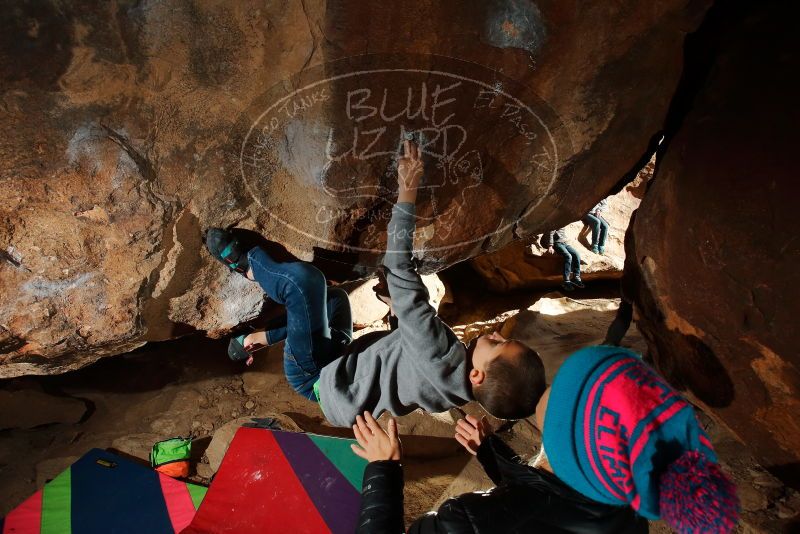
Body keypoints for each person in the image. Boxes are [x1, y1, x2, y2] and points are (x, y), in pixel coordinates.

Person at [203, 140, 546, 427]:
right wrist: (399, 315)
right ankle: (253, 340)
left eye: (499, 344)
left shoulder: (441, 350)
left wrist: (408, 190)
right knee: (333, 299)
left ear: (478, 377)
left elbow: (398, 264)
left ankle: (247, 264)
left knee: (305, 284)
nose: (497, 333)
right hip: (342, 364)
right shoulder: (455, 391)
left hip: (316, 377)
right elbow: (411, 367)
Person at [353, 345, 739, 534]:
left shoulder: (466, 520)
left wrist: (383, 469)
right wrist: (491, 454)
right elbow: (546, 500)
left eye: (565, 395)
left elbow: (526, 506)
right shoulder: (627, 509)